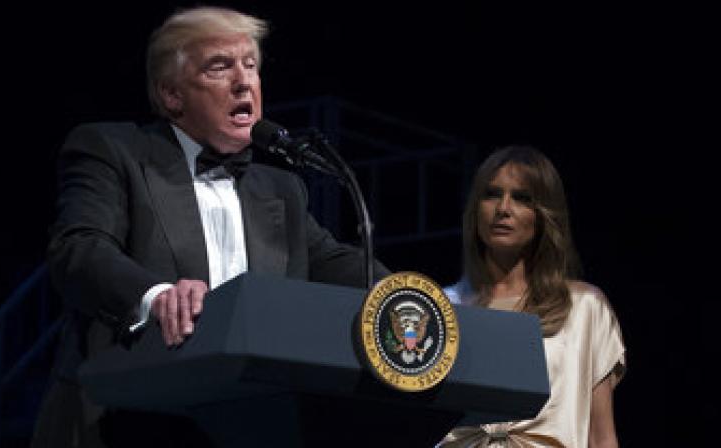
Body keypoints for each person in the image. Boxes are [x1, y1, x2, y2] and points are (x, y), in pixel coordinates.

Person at [31, 6, 388, 448]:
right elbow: (80, 249)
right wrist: (155, 296)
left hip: (247, 423)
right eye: (220, 67)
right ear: (171, 95)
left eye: (251, 66)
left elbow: (332, 259)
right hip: (121, 420)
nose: (244, 82)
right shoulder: (113, 150)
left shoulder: (281, 188)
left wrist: (410, 296)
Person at [439, 146, 625, 447]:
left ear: (544, 214)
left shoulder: (583, 308)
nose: (503, 208)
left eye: (521, 198)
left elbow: (601, 436)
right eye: (492, 194)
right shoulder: (444, 308)